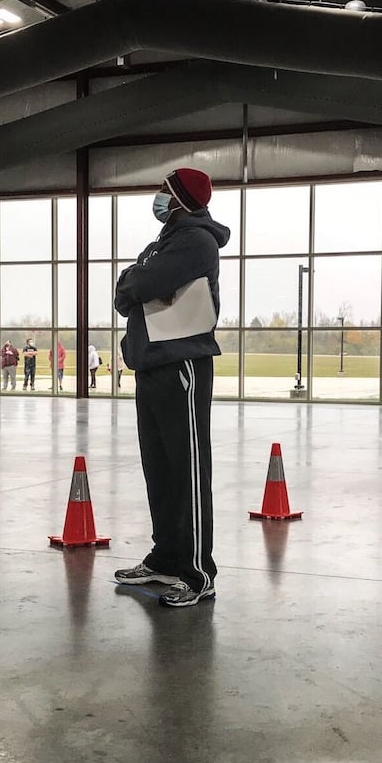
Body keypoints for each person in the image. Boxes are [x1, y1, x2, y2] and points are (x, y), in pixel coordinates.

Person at [113, 167, 229, 608]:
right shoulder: (164, 243)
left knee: (188, 471)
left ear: (180, 198)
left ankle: (198, 572)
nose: (158, 197)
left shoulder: (196, 241)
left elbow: (138, 283)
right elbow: (127, 291)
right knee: (159, 468)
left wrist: (139, 281)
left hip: (181, 365)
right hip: (153, 364)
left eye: (164, 190)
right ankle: (166, 557)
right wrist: (138, 281)